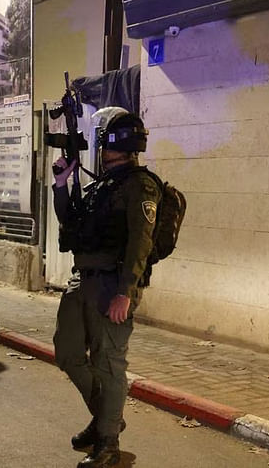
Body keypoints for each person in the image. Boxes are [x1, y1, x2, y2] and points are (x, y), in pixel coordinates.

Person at [52, 108, 161, 468]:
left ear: (114, 142)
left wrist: (126, 291)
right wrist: (61, 185)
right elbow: (71, 224)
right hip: (82, 279)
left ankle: (108, 442)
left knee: (108, 363)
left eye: (102, 138)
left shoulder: (140, 185)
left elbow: (140, 243)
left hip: (112, 284)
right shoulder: (101, 185)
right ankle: (105, 420)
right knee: (67, 353)